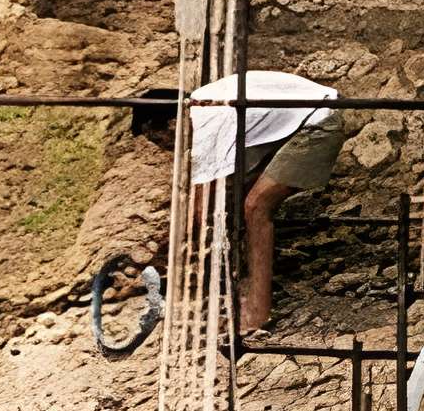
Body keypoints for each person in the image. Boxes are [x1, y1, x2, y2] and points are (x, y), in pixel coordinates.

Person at [134, 70, 352, 334]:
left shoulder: (205, 117)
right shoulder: (205, 107)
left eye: (159, 139)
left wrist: (167, 264)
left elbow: (199, 212)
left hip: (320, 118)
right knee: (238, 200)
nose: (164, 148)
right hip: (300, 117)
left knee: (256, 207)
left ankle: (257, 314)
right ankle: (246, 288)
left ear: (172, 124)